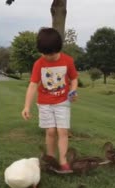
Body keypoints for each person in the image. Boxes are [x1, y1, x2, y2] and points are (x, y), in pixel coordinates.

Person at [21, 27, 78, 173]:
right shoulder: (39, 64)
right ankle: (51, 159)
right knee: (51, 131)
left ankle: (63, 161)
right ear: (41, 51)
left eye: (51, 54)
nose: (48, 57)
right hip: (45, 103)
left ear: (58, 48)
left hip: (62, 102)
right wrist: (26, 106)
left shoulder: (68, 61)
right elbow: (33, 85)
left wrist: (73, 90)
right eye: (45, 54)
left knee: (62, 131)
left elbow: (74, 79)